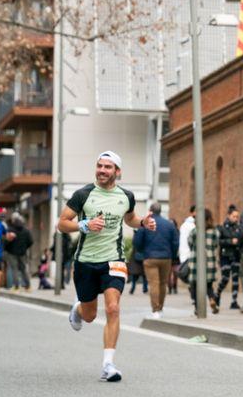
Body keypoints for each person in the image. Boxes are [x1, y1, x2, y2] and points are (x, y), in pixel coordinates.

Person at [60, 151, 156, 382]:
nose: (102, 170)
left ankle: (108, 365)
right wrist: (85, 225)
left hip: (114, 260)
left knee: (113, 308)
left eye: (108, 167)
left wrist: (142, 223)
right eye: (100, 166)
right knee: (90, 315)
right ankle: (78, 310)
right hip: (85, 261)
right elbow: (62, 223)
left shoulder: (126, 196)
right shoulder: (83, 194)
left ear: (117, 172)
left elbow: (129, 219)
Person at [133, 201, 179, 319]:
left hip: (150, 257)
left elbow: (137, 241)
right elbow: (175, 242)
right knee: (163, 283)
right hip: (166, 258)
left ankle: (155, 310)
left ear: (150, 211)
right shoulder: (169, 225)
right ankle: (161, 308)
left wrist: (142, 251)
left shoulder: (146, 223)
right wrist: (172, 255)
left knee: (154, 284)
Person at [185, 207, 220, 316]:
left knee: (195, 285)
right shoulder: (214, 232)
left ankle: (197, 307)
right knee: (208, 285)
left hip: (196, 261)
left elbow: (189, 243)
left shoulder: (195, 231)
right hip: (209, 261)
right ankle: (212, 299)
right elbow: (216, 244)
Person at [216, 206, 242, 309]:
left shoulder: (239, 228)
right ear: (228, 216)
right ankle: (217, 294)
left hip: (236, 255)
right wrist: (230, 241)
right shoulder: (222, 227)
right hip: (225, 256)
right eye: (234, 216)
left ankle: (234, 301)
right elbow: (219, 241)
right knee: (225, 278)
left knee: (235, 279)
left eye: (237, 216)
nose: (236, 218)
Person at [3, 213, 33, 290]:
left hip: (11, 253)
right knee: (23, 269)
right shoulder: (26, 230)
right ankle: (28, 286)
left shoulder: (10, 230)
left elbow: (6, 242)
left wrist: (6, 248)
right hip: (22, 253)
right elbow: (31, 241)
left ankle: (16, 286)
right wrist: (24, 248)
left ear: (13, 220)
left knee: (14, 269)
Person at [175, 206, 195, 295]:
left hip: (185, 254)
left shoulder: (184, 225)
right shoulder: (191, 225)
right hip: (189, 255)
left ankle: (194, 293)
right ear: (192, 212)